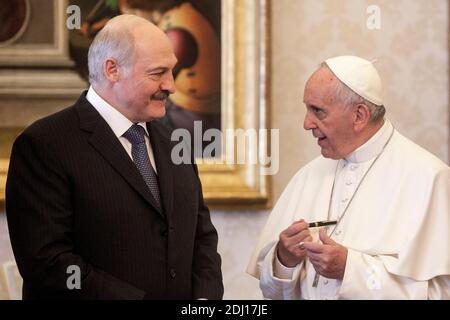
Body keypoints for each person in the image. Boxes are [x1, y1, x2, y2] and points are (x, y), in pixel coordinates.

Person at [6, 14, 223, 300]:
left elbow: (201, 237)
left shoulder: (174, 143)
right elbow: (48, 263)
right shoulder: (44, 144)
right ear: (112, 70)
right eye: (158, 73)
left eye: (172, 71)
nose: (171, 85)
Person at [247, 55, 450, 299]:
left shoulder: (429, 177)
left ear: (359, 115)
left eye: (318, 111)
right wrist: (283, 260)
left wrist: (350, 270)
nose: (306, 123)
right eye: (307, 108)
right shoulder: (308, 176)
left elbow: (440, 293)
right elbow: (271, 292)